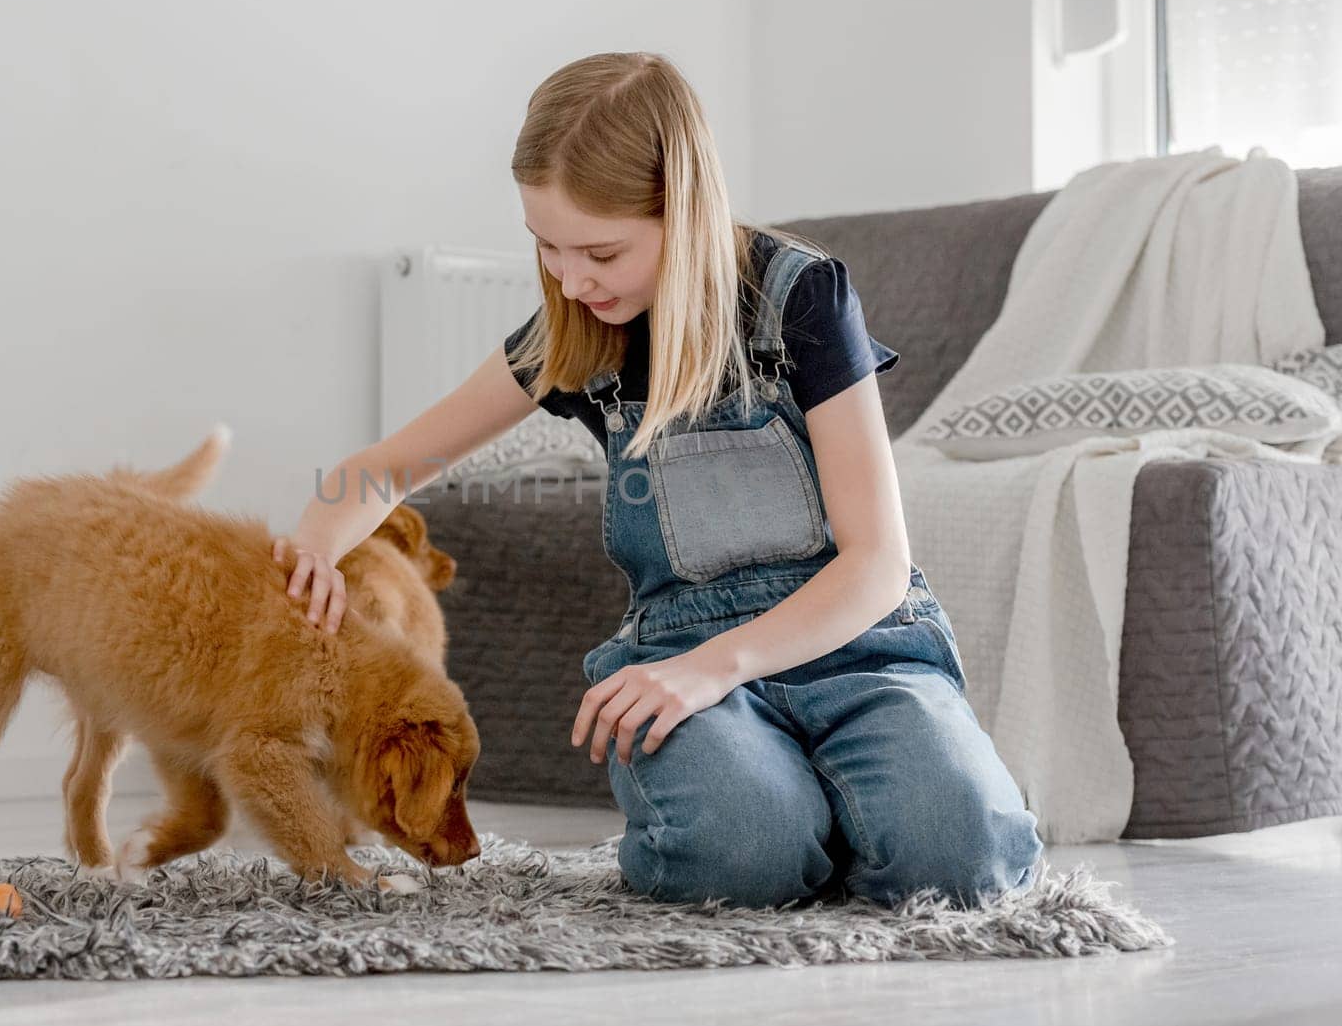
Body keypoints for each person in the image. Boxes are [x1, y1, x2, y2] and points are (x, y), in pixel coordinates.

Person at [276, 51, 1044, 910]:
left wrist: (720, 666)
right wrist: (314, 545)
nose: (571, 279)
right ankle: (796, 816)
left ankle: (839, 807)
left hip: (859, 650)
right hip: (679, 656)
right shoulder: (577, 329)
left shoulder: (804, 299)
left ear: (685, 210)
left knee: (962, 858)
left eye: (601, 251)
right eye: (547, 249)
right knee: (735, 858)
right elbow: (379, 471)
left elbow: (876, 563)